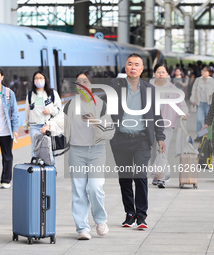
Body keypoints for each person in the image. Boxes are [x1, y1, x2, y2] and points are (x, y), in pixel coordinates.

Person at [40, 70, 115, 240]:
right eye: (79, 82)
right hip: (76, 152)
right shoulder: (71, 105)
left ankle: (100, 220)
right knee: (79, 191)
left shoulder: (101, 104)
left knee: (95, 188)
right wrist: (49, 127)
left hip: (96, 151)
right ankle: (82, 228)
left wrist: (96, 121)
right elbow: (60, 121)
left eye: (86, 81)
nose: (82, 85)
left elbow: (110, 130)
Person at [109, 54, 166, 229]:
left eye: (137, 65)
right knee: (125, 178)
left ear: (142, 69)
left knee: (140, 175)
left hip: (142, 139)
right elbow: (104, 108)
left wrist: (160, 136)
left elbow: (157, 115)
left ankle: (141, 215)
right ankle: (130, 214)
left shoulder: (149, 90)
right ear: (125, 67)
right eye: (130, 64)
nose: (133, 67)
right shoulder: (115, 87)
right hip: (120, 139)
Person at [149, 64, 189, 188]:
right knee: (153, 151)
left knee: (162, 149)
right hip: (149, 123)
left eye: (164, 72)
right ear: (154, 73)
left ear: (167, 75)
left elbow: (180, 103)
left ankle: (161, 176)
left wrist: (184, 113)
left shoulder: (173, 89)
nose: (161, 74)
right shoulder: (147, 87)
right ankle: (156, 175)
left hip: (166, 123)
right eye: (158, 72)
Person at [23, 71, 61, 156]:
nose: (38, 80)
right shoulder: (30, 94)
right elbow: (27, 110)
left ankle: (52, 168)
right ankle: (36, 168)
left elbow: (59, 109)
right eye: (36, 78)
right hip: (34, 126)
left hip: (48, 125)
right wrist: (25, 125)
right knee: (35, 148)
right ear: (33, 81)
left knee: (50, 149)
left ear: (45, 80)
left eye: (41, 78)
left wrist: (50, 111)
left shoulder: (52, 93)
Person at [190, 66, 214, 142]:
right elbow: (194, 90)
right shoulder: (198, 80)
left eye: (205, 71)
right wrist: (193, 99)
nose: (203, 72)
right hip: (200, 103)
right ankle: (200, 136)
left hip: (209, 103)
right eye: (202, 70)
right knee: (199, 120)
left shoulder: (212, 81)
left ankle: (207, 136)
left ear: (209, 73)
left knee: (208, 121)